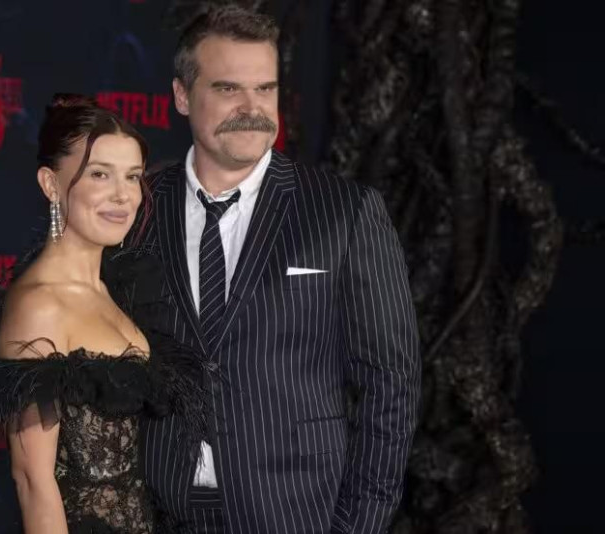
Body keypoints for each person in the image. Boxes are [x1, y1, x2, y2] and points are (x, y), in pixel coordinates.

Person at [130, 5, 422, 533]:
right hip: (160, 511)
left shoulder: (345, 212)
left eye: (265, 89)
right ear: (181, 95)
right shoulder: (136, 209)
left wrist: (358, 526)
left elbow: (392, 384)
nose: (253, 108)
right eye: (228, 89)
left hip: (294, 514)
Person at [0, 95, 209, 533]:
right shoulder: (39, 305)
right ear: (50, 183)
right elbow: (32, 480)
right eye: (100, 174)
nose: (123, 195)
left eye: (133, 176)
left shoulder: (115, 289)